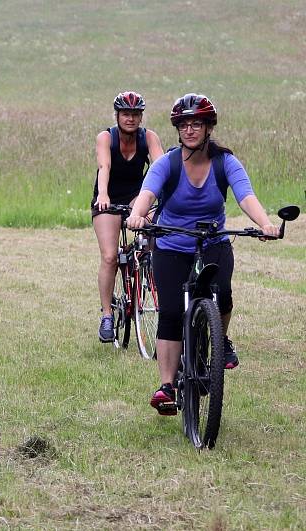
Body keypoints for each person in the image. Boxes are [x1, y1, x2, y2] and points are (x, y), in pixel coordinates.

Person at [125, 93, 278, 415]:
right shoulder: (168, 163)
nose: (190, 130)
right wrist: (138, 215)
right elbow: (148, 192)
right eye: (184, 125)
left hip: (213, 241)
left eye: (197, 124)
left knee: (223, 294)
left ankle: (220, 343)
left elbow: (245, 196)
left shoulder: (225, 162)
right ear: (177, 129)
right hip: (171, 242)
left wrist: (265, 224)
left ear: (209, 128)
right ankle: (166, 385)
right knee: (170, 313)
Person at [92, 91, 164, 342]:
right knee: (110, 256)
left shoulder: (149, 137)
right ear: (118, 115)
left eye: (135, 114)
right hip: (109, 196)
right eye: (126, 114)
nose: (131, 119)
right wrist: (103, 195)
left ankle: (149, 270)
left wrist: (166, 197)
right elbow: (105, 167)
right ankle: (107, 315)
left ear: (141, 116)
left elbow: (160, 166)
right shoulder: (106, 137)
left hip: (137, 196)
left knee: (156, 230)